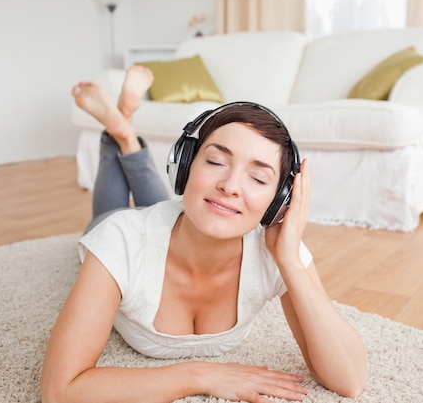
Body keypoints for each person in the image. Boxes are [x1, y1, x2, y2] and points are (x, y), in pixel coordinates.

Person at [41, 65, 367, 403]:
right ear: (186, 165)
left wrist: (290, 262)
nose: (229, 186)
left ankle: (123, 128)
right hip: (135, 227)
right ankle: (119, 134)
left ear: (279, 201)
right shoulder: (120, 239)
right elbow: (60, 391)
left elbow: (350, 381)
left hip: (180, 218)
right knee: (112, 211)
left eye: (257, 178)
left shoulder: (278, 250)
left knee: (168, 207)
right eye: (215, 161)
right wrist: (199, 374)